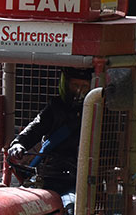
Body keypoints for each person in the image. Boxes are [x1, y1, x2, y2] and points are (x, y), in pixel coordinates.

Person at [7, 67, 91, 196]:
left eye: (84, 86)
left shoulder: (99, 112)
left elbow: (109, 147)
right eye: (75, 85)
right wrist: (19, 143)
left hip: (84, 177)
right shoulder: (56, 106)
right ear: (66, 85)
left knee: (70, 204)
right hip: (51, 174)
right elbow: (36, 127)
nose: (79, 91)